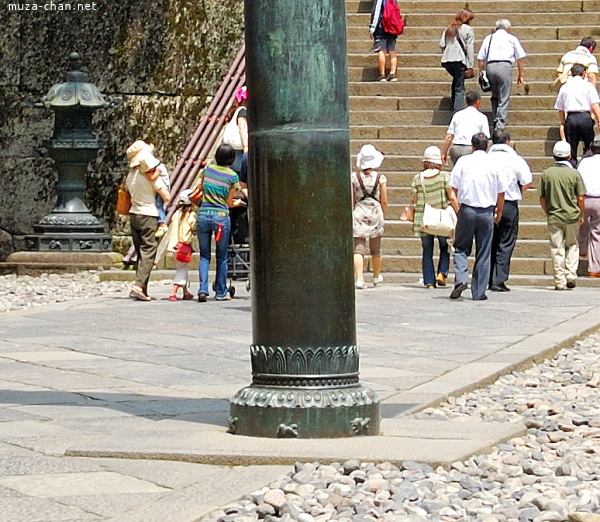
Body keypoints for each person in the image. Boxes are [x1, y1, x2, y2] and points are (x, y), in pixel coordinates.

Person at [449, 133, 507, 301]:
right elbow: (501, 192)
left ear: (472, 146)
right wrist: (499, 211)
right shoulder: (494, 163)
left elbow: (452, 190)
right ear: (487, 146)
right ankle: (479, 291)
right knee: (483, 251)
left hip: (467, 209)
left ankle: (460, 278)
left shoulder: (463, 161)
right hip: (486, 211)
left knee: (460, 247)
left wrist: (458, 209)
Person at [192, 144, 242, 302]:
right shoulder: (233, 177)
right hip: (220, 217)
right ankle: (220, 292)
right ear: (232, 159)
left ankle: (202, 289)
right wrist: (238, 202)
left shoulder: (206, 171)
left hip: (204, 214)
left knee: (204, 255)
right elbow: (228, 202)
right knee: (221, 256)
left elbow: (200, 190)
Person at [124, 141, 171, 301]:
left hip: (133, 215)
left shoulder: (130, 176)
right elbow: (167, 196)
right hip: (148, 215)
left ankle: (141, 288)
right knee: (149, 252)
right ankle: (138, 285)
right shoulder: (151, 177)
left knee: (141, 253)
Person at [488, 129, 533, 292]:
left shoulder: (486, 158)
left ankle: (487, 277)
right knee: (506, 241)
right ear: (508, 141)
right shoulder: (516, 159)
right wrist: (518, 191)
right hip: (509, 203)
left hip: (488, 203)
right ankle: (498, 279)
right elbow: (527, 181)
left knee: (489, 241)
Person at [538, 141, 585, 290]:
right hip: (572, 215)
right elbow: (581, 197)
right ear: (570, 156)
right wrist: (581, 213)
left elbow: (542, 197)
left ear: (553, 156)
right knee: (572, 245)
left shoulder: (546, 174)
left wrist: (547, 212)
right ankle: (570, 274)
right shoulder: (574, 173)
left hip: (554, 216)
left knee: (556, 248)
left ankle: (559, 281)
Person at [410, 146, 460, 289]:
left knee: (427, 251)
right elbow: (451, 196)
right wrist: (458, 211)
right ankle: (442, 273)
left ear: (425, 162)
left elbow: (414, 199)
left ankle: (429, 282)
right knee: (445, 247)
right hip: (441, 218)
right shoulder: (444, 176)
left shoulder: (417, 178)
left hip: (424, 219)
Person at [477, 19, 527, 130]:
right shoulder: (511, 38)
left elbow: (480, 58)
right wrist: (521, 74)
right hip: (505, 67)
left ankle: (496, 119)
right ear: (508, 28)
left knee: (495, 96)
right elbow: (520, 58)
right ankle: (500, 126)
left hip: (490, 67)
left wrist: (481, 73)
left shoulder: (488, 38)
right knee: (503, 98)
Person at [352, 144, 388, 289]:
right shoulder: (380, 178)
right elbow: (384, 199)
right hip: (375, 213)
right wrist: (382, 212)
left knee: (358, 249)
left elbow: (352, 198)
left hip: (359, 211)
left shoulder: (354, 177)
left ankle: (359, 278)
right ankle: (375, 276)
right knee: (376, 249)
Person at [554, 64, 600, 165]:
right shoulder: (588, 86)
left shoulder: (565, 87)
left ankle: (573, 167)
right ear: (583, 74)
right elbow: (594, 105)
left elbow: (560, 108)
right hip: (585, 118)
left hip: (571, 118)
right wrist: (599, 120)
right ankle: (586, 166)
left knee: (572, 149)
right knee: (589, 146)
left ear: (571, 73)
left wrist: (563, 122)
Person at [441, 90, 490, 166]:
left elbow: (449, 136)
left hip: (456, 149)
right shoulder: (482, 117)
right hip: (471, 149)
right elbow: (486, 138)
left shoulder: (457, 115)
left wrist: (444, 153)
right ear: (478, 102)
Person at [440, 8, 475, 113]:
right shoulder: (468, 29)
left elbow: (442, 44)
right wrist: (470, 66)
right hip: (459, 59)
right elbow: (470, 48)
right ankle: (457, 111)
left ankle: (453, 105)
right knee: (460, 87)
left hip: (447, 60)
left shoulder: (449, 28)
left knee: (456, 80)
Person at [166, 189, 197, 301]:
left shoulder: (177, 214)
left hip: (175, 245)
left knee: (182, 267)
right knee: (182, 270)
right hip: (184, 245)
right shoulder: (191, 215)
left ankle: (185, 291)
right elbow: (193, 228)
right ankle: (173, 292)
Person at [577, 136, 600, 277]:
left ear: (591, 150)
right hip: (599, 200)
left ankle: (582, 250)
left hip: (584, 198)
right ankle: (594, 268)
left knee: (582, 225)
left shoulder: (584, 162)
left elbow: (578, 180)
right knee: (597, 233)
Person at [369, 0, 398, 82]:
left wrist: (372, 29)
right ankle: (392, 73)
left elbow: (376, 13)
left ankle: (382, 74)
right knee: (392, 50)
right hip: (392, 27)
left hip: (382, 28)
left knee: (382, 50)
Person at [223, 86, 248, 176]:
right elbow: (242, 128)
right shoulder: (243, 111)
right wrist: (245, 146)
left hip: (234, 148)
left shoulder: (236, 111)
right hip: (239, 148)